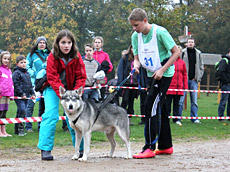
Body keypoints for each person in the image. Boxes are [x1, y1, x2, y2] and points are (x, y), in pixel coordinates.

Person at [128, 8, 180, 158]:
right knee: (161, 108)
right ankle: (165, 146)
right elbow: (136, 57)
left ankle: (149, 147)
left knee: (150, 106)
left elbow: (176, 52)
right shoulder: (135, 36)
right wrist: (136, 66)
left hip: (164, 74)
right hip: (151, 74)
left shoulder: (160, 32)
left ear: (145, 21)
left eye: (136, 25)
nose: (134, 28)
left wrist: (162, 70)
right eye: (132, 26)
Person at [37, 29, 87, 161]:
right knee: (50, 115)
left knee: (76, 117)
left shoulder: (77, 56)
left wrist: (75, 93)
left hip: (72, 90)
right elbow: (52, 77)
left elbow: (81, 76)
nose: (66, 45)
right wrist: (64, 96)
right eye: (63, 42)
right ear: (58, 43)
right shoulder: (52, 56)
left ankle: (80, 149)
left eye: (69, 42)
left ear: (72, 43)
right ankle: (45, 149)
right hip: (53, 88)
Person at [26, 36, 50, 132]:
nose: (42, 44)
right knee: (30, 105)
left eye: (44, 42)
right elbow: (27, 66)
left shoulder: (50, 54)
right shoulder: (32, 55)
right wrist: (34, 74)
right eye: (40, 42)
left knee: (43, 107)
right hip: (34, 83)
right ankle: (28, 126)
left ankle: (41, 125)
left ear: (46, 44)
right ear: (37, 44)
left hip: (45, 83)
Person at [179, 38, 204, 124]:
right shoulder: (182, 53)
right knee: (180, 101)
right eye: (189, 42)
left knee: (194, 101)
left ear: (194, 43)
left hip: (194, 80)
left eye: (192, 42)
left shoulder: (198, 53)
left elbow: (201, 67)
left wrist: (198, 78)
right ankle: (178, 118)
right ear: (187, 43)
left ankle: (194, 118)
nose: (190, 43)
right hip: (184, 80)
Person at [12, 55, 35, 136]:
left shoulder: (27, 73)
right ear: (17, 64)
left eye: (24, 62)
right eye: (21, 62)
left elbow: (30, 84)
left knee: (21, 111)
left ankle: (18, 130)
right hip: (19, 96)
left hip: (27, 96)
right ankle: (19, 129)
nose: (23, 64)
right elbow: (16, 85)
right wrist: (22, 94)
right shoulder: (16, 73)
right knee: (22, 110)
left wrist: (32, 93)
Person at [166, 45, 188, 127]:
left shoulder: (182, 63)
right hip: (170, 87)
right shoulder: (169, 61)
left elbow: (185, 75)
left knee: (177, 104)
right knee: (167, 104)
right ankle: (166, 118)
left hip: (179, 88)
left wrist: (185, 86)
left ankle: (176, 119)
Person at [117, 45, 138, 126]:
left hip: (134, 84)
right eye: (133, 48)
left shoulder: (139, 59)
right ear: (130, 49)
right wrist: (120, 81)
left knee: (131, 102)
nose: (134, 50)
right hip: (126, 83)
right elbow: (120, 70)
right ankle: (121, 118)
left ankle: (129, 119)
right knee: (125, 100)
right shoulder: (125, 58)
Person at [92, 36, 113, 100]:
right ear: (93, 43)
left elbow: (110, 67)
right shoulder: (90, 53)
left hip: (102, 80)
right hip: (91, 80)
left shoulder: (105, 55)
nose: (97, 44)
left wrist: (104, 71)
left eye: (99, 42)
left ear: (101, 44)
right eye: (96, 42)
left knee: (101, 99)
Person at [0, 51, 14, 137]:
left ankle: (4, 131)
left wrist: (12, 94)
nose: (6, 60)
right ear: (1, 59)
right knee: (0, 112)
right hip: (1, 95)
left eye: (8, 59)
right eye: (4, 58)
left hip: (7, 95)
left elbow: (11, 83)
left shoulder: (9, 71)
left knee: (4, 113)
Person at [217, 48, 230, 121]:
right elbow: (221, 72)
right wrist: (226, 80)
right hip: (226, 84)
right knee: (223, 101)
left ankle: (229, 116)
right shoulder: (224, 61)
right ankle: (220, 117)